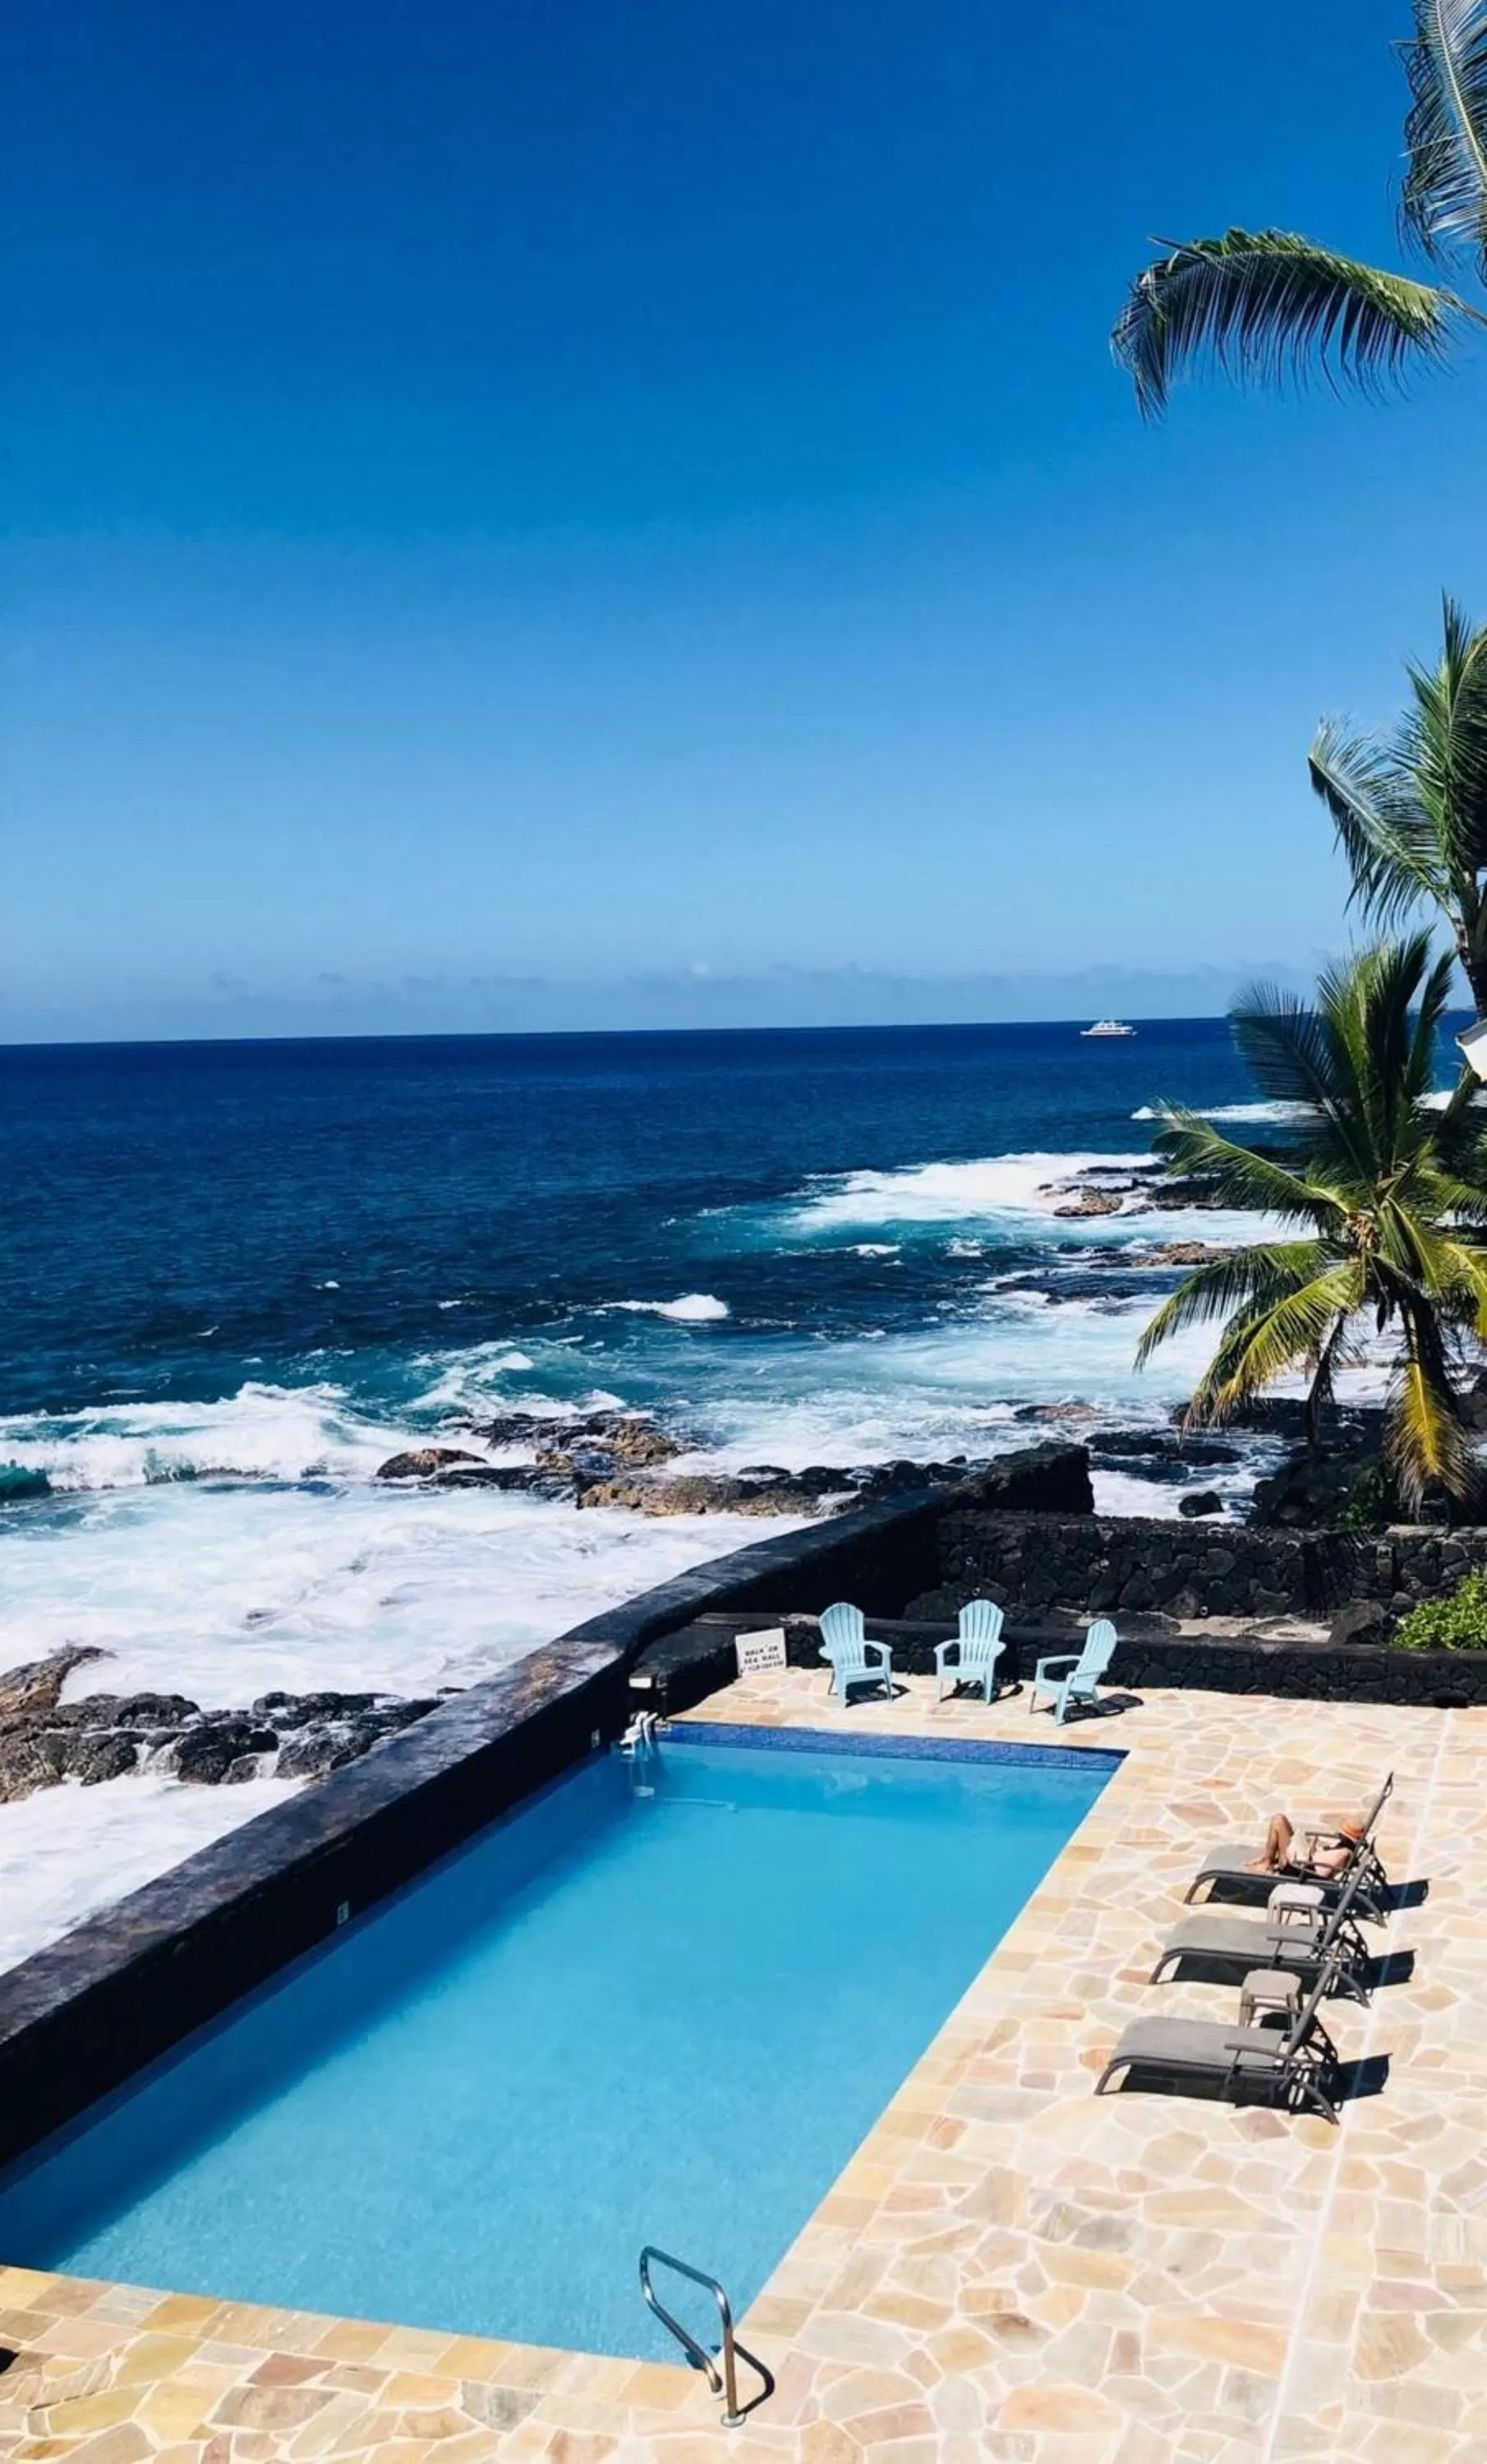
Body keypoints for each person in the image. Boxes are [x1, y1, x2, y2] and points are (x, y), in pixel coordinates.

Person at [1249, 1811, 1365, 1879]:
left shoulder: (1342, 1853)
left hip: (1298, 1869)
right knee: (1281, 1821)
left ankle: (1267, 1862)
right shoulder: (1344, 1847)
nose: (1338, 1834)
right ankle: (1267, 1859)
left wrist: (1310, 1853)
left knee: (1278, 1821)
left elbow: (1321, 1871)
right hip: (1303, 1862)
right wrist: (1313, 1849)